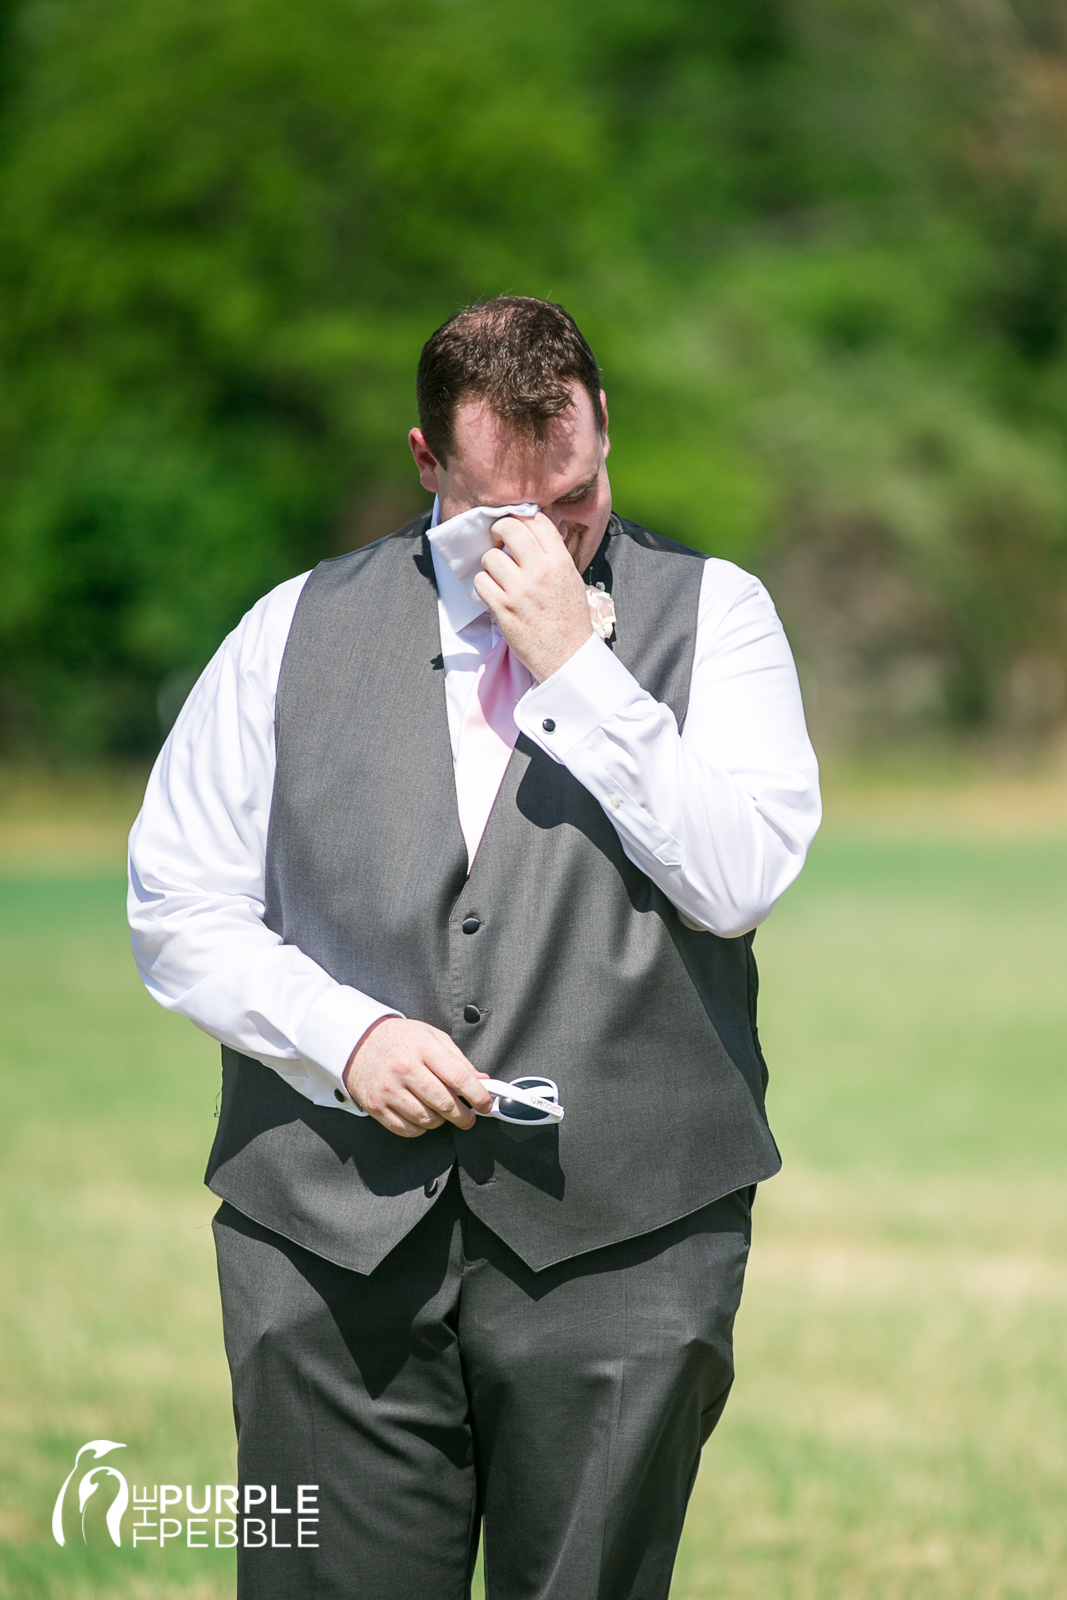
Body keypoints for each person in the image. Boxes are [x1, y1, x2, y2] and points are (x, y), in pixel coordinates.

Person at [128, 295, 820, 1600]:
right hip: (327, 1253)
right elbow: (178, 902)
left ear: (604, 426)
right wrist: (349, 1037)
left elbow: (737, 881)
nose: (551, 540)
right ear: (426, 464)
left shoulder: (719, 618)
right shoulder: (288, 632)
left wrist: (579, 669)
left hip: (626, 1242)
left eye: (574, 493)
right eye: (506, 511)